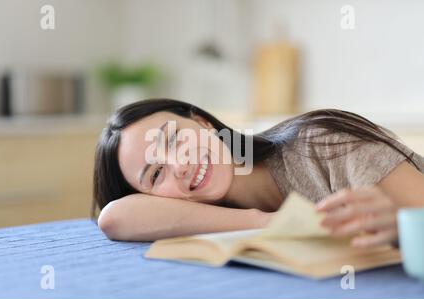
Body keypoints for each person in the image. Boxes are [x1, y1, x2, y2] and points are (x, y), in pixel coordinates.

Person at [92, 98, 424, 247]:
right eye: (155, 175)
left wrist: (398, 228)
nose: (181, 165)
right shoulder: (214, 222)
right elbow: (114, 217)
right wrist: (265, 222)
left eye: (175, 138)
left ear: (203, 123)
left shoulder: (321, 144)